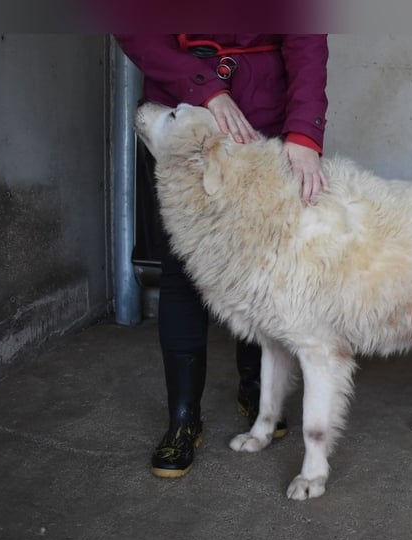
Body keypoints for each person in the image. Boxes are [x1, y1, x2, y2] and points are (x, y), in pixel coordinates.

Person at [114, 34, 329, 478]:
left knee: (260, 265)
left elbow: (307, 34)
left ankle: (255, 390)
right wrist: (205, 88)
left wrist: (305, 129)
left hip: (262, 105)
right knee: (183, 267)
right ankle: (183, 417)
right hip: (182, 101)